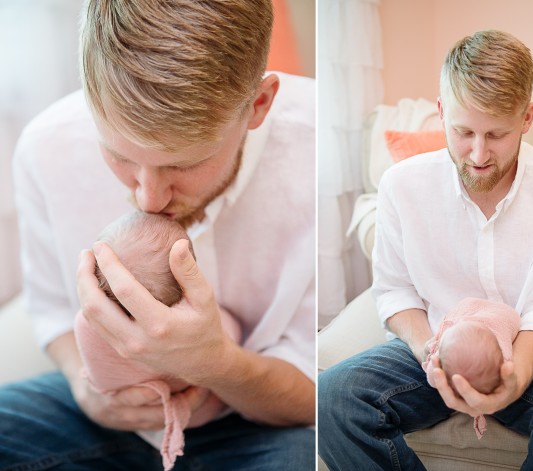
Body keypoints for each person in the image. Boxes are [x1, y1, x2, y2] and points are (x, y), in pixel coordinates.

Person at [1, 1, 315, 470]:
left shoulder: (316, 155)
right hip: (106, 422)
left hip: (260, 426)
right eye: (119, 154)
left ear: (259, 104)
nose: (148, 200)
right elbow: (50, 311)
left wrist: (216, 363)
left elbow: (314, 392)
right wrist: (87, 391)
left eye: (182, 163)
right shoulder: (45, 148)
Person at [318, 29, 533, 470]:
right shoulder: (401, 186)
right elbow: (395, 293)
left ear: (527, 117)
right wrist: (434, 357)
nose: (478, 154)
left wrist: (515, 376)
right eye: (463, 132)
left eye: (496, 135)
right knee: (330, 399)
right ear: (442, 111)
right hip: (431, 352)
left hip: (529, 358)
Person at [77, 211, 242, 470]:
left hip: (114, 396)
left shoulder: (87, 322)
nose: (151, 196)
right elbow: (234, 334)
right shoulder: (201, 326)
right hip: (192, 412)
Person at [422, 297, 521, 439]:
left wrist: (430, 351)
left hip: (490, 311)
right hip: (502, 315)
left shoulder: (438, 366)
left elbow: (432, 375)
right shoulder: (504, 356)